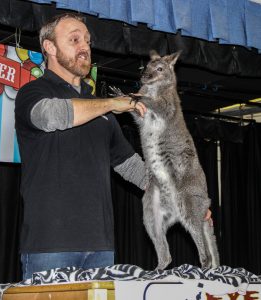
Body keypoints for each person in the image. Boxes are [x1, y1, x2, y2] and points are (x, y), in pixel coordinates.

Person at [15, 12, 212, 280]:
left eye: (87, 40)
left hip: (101, 247)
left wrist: (186, 200)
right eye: (74, 39)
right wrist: (110, 103)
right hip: (49, 246)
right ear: (49, 47)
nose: (84, 46)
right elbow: (52, 116)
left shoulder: (102, 113)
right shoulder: (33, 93)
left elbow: (133, 167)